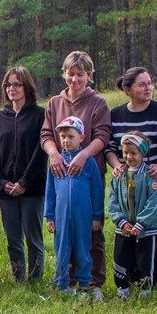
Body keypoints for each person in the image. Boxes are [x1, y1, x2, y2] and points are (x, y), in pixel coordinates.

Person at [40, 51, 112, 299]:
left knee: (91, 232)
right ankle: (66, 280)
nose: (75, 79)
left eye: (80, 74)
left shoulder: (97, 103)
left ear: (89, 76)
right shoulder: (54, 103)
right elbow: (46, 135)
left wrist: (84, 156)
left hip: (87, 173)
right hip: (61, 171)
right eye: (71, 74)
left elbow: (103, 136)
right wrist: (54, 154)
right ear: (65, 74)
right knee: (64, 231)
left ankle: (92, 282)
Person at [106, 67, 157, 287]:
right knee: (127, 231)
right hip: (126, 181)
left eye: (150, 83)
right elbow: (109, 147)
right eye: (141, 84)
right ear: (128, 90)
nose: (148, 88)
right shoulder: (116, 115)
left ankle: (152, 282)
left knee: (149, 232)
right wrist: (117, 165)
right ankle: (129, 281)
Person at [0, 66, 47, 283]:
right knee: (13, 239)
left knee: (33, 238)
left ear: (27, 86)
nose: (11, 89)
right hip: (6, 190)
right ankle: (18, 278)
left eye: (16, 84)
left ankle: (35, 280)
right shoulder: (0, 117)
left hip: (32, 188)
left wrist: (23, 182)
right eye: (8, 85)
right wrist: (1, 182)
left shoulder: (39, 115)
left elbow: (40, 153)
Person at [44, 116, 105, 296]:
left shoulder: (89, 162)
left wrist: (96, 216)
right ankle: (62, 284)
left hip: (83, 215)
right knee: (62, 249)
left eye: (71, 136)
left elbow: (97, 191)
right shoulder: (56, 162)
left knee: (83, 249)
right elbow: (50, 190)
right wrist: (49, 216)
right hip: (61, 216)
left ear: (81, 137)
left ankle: (86, 285)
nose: (66, 140)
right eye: (62, 137)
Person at [108, 133, 157, 299]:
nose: (128, 157)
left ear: (143, 154)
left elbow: (154, 202)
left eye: (134, 153)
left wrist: (142, 223)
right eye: (126, 152)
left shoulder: (149, 175)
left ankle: (146, 290)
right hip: (124, 228)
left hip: (145, 230)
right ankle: (123, 289)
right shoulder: (119, 175)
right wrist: (121, 221)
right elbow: (113, 200)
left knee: (144, 260)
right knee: (121, 257)